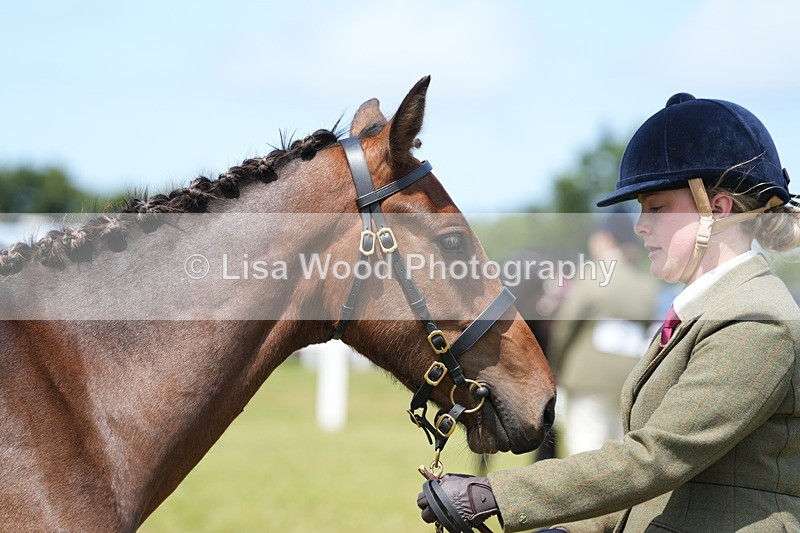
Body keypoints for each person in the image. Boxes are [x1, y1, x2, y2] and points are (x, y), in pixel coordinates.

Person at [416, 93, 800, 532]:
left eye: (656, 208)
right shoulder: (704, 312)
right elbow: (656, 491)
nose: (640, 226)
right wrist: (567, 530)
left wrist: (495, 494)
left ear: (717, 207)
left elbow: (656, 458)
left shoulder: (756, 321)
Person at [549, 209, 660, 457]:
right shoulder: (646, 285)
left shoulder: (591, 275)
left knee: (585, 453)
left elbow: (566, 326)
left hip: (589, 378)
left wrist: (554, 364)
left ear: (604, 238)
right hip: (628, 379)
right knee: (618, 456)